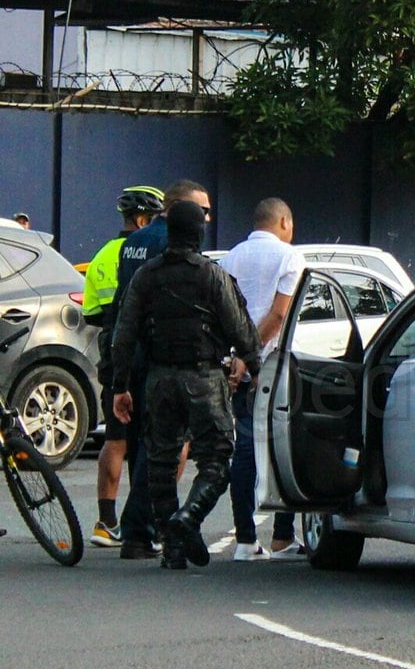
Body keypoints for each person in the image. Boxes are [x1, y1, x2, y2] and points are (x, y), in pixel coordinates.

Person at [110, 200, 261, 570]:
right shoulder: (212, 275)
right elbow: (241, 329)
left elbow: (124, 334)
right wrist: (255, 368)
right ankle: (188, 518)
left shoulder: (146, 276)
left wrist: (119, 386)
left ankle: (172, 547)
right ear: (198, 233)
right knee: (218, 459)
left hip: (159, 379)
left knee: (160, 462)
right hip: (204, 378)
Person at [112, 179, 212, 560]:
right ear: (182, 211)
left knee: (140, 443)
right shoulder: (168, 244)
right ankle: (142, 530)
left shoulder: (135, 240)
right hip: (160, 357)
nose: (206, 219)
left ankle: (140, 529)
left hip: (132, 350)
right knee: (160, 448)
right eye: (201, 212)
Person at [219, 197, 306, 561]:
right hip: (271, 365)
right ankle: (283, 537)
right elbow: (278, 315)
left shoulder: (229, 259)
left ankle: (244, 539)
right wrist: (252, 359)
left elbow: (223, 316)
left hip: (236, 365)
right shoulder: (290, 258)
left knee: (244, 448)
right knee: (285, 446)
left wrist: (236, 358)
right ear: (284, 221)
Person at [82, 185, 164, 547]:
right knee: (156, 440)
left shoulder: (101, 256)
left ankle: (106, 521)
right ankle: (150, 520)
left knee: (115, 437)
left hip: (112, 351)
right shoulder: (149, 248)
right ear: (144, 218)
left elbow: (91, 313)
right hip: (146, 351)